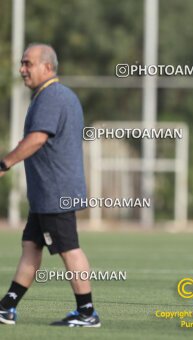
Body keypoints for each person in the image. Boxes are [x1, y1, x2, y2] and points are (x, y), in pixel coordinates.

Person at [0, 43, 100, 327]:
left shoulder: (52, 96)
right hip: (47, 193)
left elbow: (37, 138)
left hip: (56, 192)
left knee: (69, 248)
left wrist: (4, 163)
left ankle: (87, 313)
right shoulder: (52, 95)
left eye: (27, 63)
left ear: (47, 66)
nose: (22, 69)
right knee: (31, 245)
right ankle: (7, 306)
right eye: (22, 63)